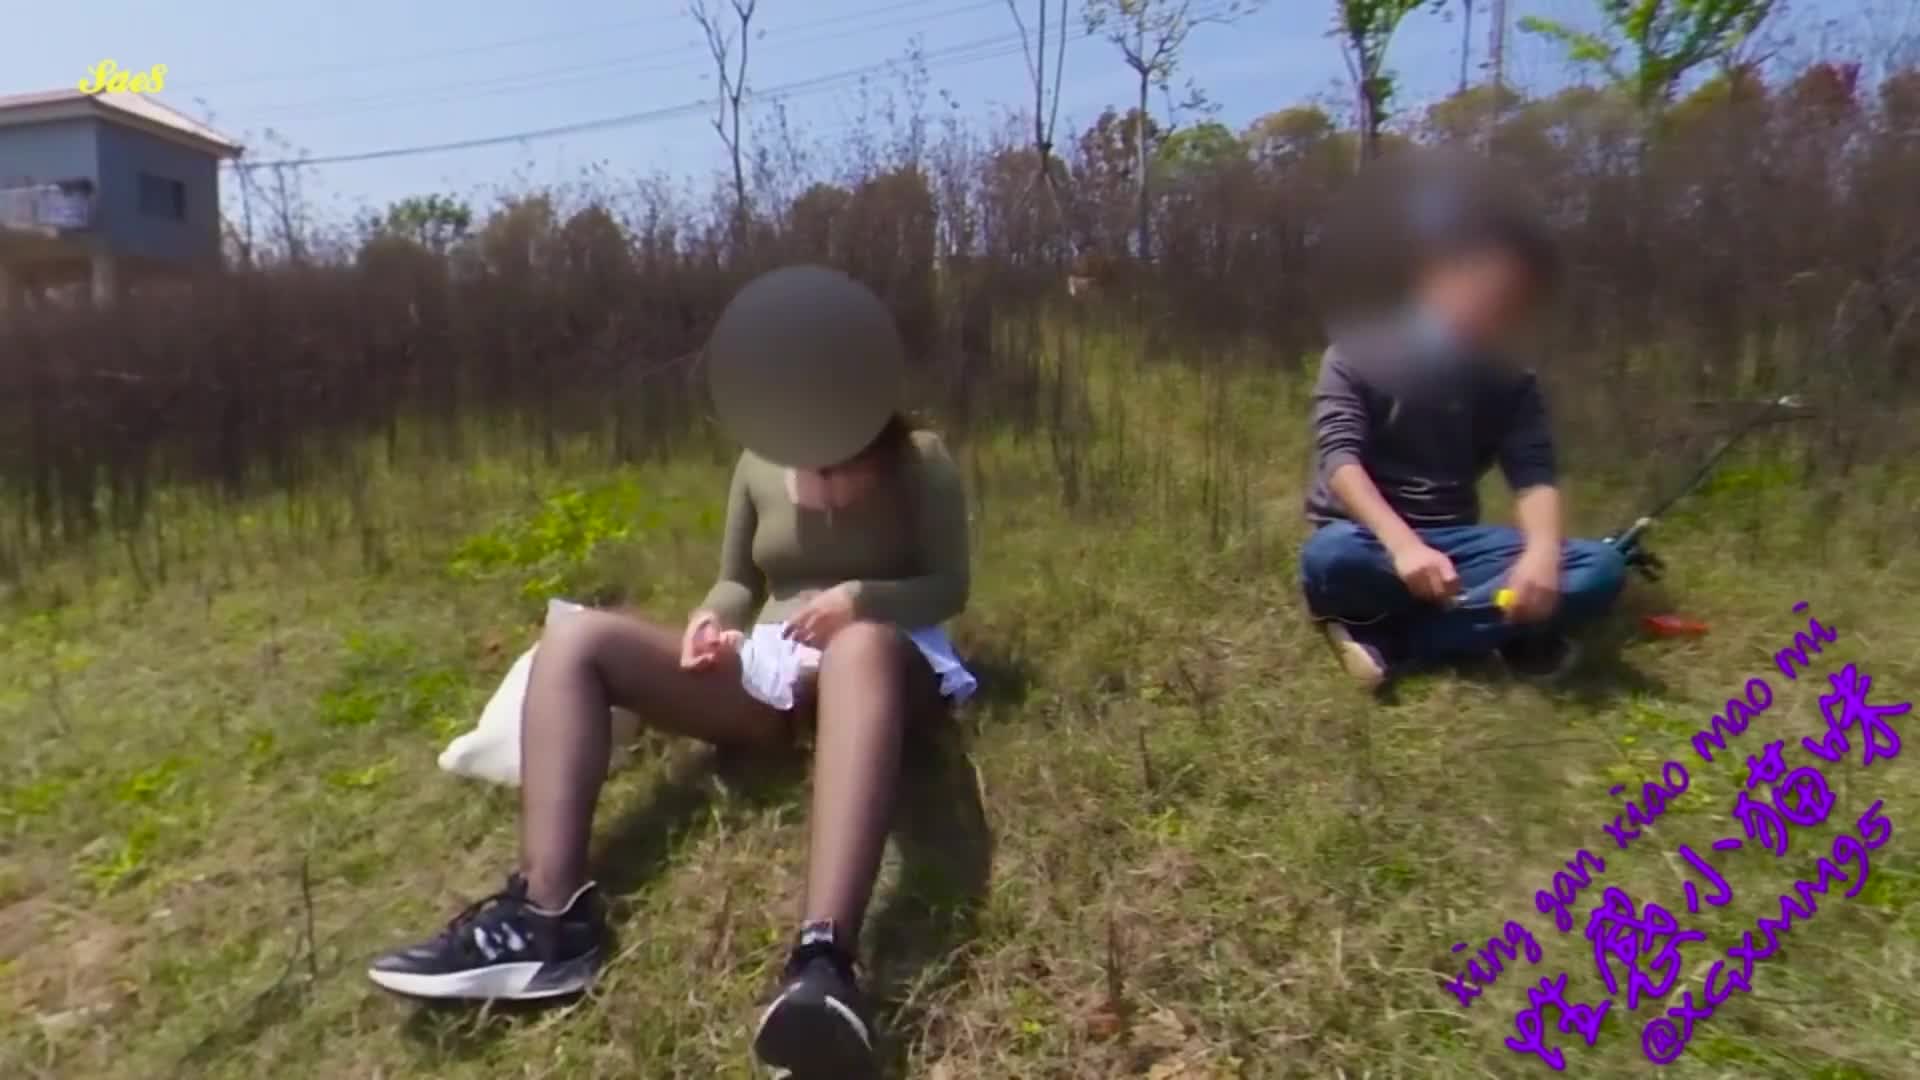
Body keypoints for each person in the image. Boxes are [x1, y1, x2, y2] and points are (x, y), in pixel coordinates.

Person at [367, 265, 977, 1080]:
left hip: (886, 661)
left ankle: (823, 966)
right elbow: (736, 583)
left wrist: (858, 600)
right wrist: (710, 621)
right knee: (578, 638)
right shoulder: (757, 464)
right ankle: (548, 918)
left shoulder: (921, 459)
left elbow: (949, 585)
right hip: (773, 669)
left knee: (860, 645)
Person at [1298, 184, 1626, 690]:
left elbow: (1534, 474)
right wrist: (1405, 548)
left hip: (1456, 545)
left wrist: (1540, 555)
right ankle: (1501, 628)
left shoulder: (1510, 377)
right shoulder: (1353, 354)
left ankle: (1395, 641)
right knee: (1331, 559)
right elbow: (1341, 461)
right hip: (1367, 538)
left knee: (1599, 566)